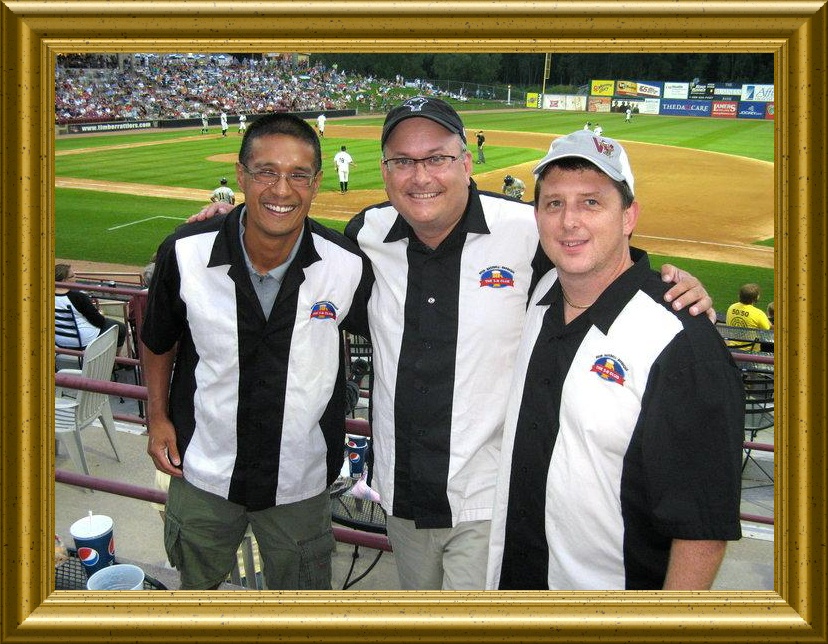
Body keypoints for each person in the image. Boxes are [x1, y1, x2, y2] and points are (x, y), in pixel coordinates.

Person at [191, 97, 714, 591]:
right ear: (386, 172)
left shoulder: (526, 230)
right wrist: (230, 223)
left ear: (466, 163)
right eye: (403, 161)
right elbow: (302, 262)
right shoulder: (365, 233)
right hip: (401, 497)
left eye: (437, 158)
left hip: (489, 500)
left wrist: (671, 287)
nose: (420, 176)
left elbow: (598, 260)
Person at [486, 130, 745, 590]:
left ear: (629, 216)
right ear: (537, 216)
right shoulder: (541, 292)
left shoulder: (682, 342)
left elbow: (701, 531)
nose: (569, 221)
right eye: (554, 203)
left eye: (591, 203)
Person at [141, 113, 372, 590]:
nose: (281, 189)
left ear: (316, 183)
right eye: (266, 171)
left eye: (298, 175)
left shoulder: (347, 264)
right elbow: (158, 339)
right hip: (204, 469)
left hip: (301, 478)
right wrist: (157, 416)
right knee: (197, 593)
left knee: (303, 603)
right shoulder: (184, 251)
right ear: (241, 176)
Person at [55, 263, 126, 350]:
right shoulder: (78, 297)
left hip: (59, 340)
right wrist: (100, 314)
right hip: (83, 341)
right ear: (63, 280)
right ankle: (115, 357)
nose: (76, 277)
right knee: (121, 328)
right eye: (72, 276)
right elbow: (99, 322)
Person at [725, 283, 772, 351]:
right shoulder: (758, 314)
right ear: (756, 298)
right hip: (750, 350)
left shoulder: (731, 307)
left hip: (731, 347)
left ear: (739, 296)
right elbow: (767, 329)